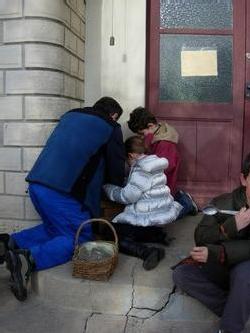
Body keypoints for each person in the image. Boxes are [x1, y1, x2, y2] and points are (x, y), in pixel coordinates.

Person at [0, 96, 125, 301]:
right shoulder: (111, 127)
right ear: (113, 115)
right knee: (79, 238)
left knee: (54, 230)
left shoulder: (70, 116)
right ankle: (26, 261)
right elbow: (116, 170)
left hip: (36, 184)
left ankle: (9, 244)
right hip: (62, 193)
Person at [172, 152, 250, 333]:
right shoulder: (224, 202)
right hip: (223, 268)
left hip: (243, 270)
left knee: (245, 274)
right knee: (182, 274)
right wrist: (228, 228)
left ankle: (230, 327)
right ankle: (236, 306)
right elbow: (201, 236)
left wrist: (219, 251)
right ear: (244, 179)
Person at [104, 135, 183, 270]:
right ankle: (157, 235)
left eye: (126, 160)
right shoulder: (154, 164)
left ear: (131, 155)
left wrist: (108, 188)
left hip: (146, 218)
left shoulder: (141, 169)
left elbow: (128, 197)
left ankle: (147, 252)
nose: (127, 164)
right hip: (158, 216)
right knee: (133, 229)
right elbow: (142, 187)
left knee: (109, 231)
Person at [127, 107, 198, 217]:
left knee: (161, 217)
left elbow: (165, 168)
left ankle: (186, 204)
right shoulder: (151, 137)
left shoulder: (165, 144)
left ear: (150, 126)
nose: (140, 137)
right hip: (153, 187)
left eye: (141, 133)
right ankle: (179, 197)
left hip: (163, 187)